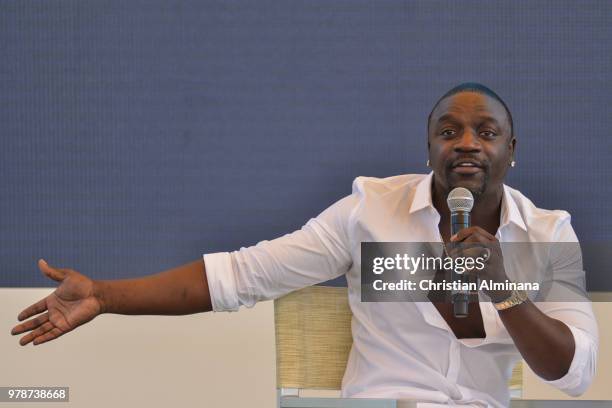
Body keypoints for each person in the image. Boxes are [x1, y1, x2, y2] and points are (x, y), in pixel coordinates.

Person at [11, 83, 598, 407]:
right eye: (448, 131)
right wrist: (106, 296)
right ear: (429, 151)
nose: (466, 143)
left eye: (485, 132)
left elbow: (573, 375)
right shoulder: (370, 211)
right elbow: (242, 276)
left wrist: (506, 293)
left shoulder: (548, 234)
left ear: (511, 149)